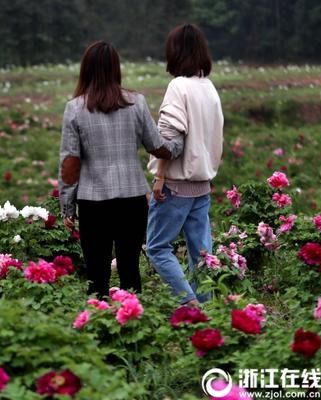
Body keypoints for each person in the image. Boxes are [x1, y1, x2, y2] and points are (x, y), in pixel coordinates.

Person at [58, 41, 183, 299]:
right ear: (116, 68)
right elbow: (157, 145)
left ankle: (99, 325)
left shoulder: (75, 109)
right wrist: (178, 145)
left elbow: (70, 164)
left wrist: (67, 207)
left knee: (97, 273)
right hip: (132, 199)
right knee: (130, 270)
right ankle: (133, 322)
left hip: (93, 202)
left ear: (86, 70)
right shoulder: (136, 103)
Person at [146, 24, 224, 307]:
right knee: (201, 253)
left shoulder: (179, 87)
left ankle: (189, 303)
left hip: (176, 185)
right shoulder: (209, 88)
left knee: (157, 247)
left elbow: (170, 140)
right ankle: (206, 310)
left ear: (174, 52)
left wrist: (160, 177)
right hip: (201, 185)